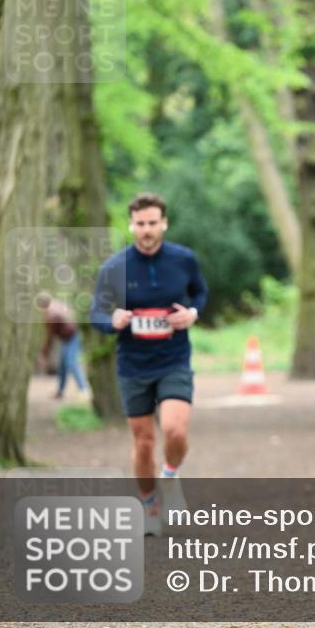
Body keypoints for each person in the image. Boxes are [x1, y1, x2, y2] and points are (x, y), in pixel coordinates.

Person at [90, 193, 207, 537]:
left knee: (175, 429)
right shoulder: (114, 268)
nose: (146, 230)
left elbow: (200, 293)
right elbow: (96, 312)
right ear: (131, 225)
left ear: (163, 224)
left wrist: (193, 313)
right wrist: (112, 320)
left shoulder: (184, 260)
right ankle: (148, 503)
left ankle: (169, 475)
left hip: (174, 359)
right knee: (143, 441)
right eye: (140, 224)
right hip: (133, 364)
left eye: (152, 223)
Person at [36, 292, 89, 400]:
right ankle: (60, 391)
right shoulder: (57, 305)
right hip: (68, 338)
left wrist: (44, 354)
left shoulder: (51, 316)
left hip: (72, 337)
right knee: (62, 365)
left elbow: (50, 338)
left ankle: (84, 390)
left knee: (71, 362)